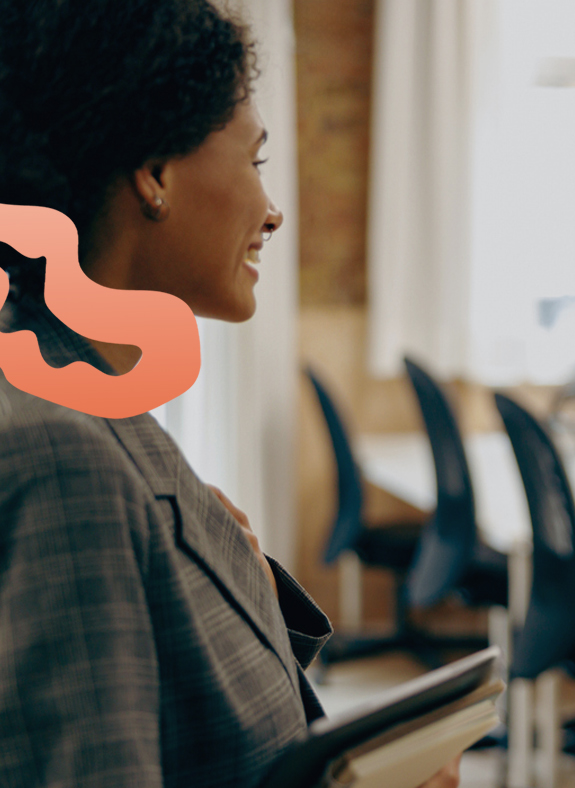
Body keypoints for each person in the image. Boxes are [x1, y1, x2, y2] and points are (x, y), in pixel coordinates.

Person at [0, 2, 463, 786]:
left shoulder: (99, 400)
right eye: (255, 162)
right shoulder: (60, 450)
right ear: (154, 174)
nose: (273, 211)